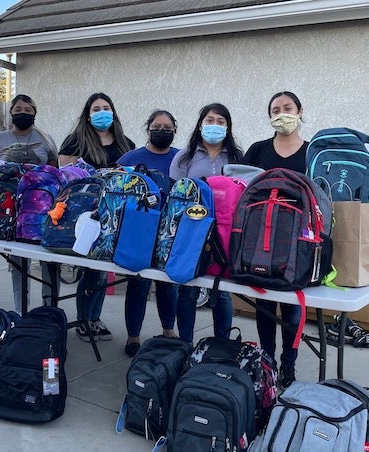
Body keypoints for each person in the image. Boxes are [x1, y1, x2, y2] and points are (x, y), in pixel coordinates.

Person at [242, 91, 307, 389]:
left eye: (288, 108)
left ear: (300, 111)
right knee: (264, 303)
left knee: (292, 305)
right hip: (260, 238)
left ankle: (288, 365)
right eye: (275, 109)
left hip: (297, 240)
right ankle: (267, 361)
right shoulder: (257, 150)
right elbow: (243, 188)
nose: (282, 113)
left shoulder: (311, 151)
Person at [59, 92, 135, 341]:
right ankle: (84, 319)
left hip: (117, 215)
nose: (102, 112)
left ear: (113, 112)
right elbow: (65, 176)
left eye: (106, 107)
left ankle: (95, 317)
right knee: (91, 267)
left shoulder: (127, 144)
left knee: (103, 270)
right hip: (86, 215)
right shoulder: (75, 141)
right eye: (96, 109)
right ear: (88, 115)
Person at [169, 103, 243, 343]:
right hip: (192, 231)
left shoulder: (236, 157)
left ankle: (221, 344)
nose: (214, 126)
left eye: (220, 122)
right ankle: (185, 344)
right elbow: (175, 195)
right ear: (200, 125)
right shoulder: (184, 156)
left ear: (228, 128)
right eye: (209, 120)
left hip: (224, 234)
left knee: (221, 293)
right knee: (188, 290)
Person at [0, 94, 60, 315]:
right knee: (18, 265)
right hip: (8, 211)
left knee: (49, 261)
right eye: (18, 109)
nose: (23, 113)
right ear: (11, 113)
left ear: (35, 112)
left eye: (28, 110)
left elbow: (54, 172)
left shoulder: (46, 139)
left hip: (41, 210)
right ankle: (21, 312)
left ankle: (50, 310)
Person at [117, 110, 179, 357]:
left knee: (168, 285)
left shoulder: (181, 159)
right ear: (148, 128)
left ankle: (168, 331)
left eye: (167, 127)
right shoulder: (131, 158)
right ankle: (133, 336)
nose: (162, 131)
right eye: (157, 126)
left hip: (171, 232)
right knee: (138, 284)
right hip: (139, 232)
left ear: (175, 129)